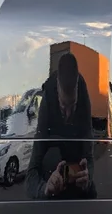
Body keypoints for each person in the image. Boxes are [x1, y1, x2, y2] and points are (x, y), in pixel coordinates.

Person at [26, 52, 96, 199]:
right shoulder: (47, 104)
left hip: (77, 191)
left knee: (92, 191)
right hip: (51, 187)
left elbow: (89, 157)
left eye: (73, 106)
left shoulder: (84, 101)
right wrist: (45, 188)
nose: (68, 114)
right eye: (63, 106)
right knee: (52, 155)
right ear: (57, 91)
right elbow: (31, 174)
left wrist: (87, 178)